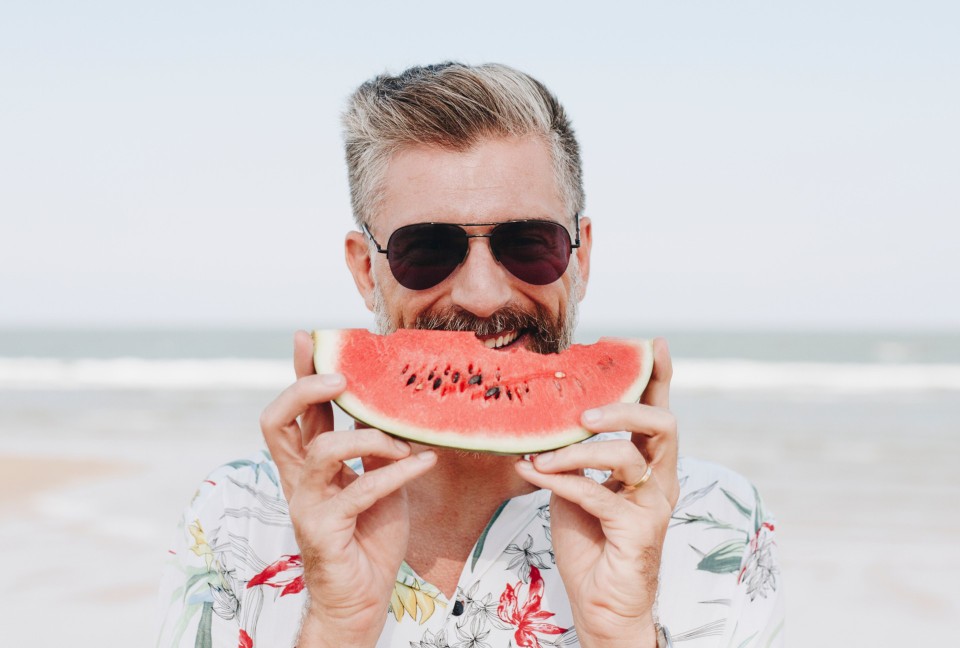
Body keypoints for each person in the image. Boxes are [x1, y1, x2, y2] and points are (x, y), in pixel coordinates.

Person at [158, 62, 784, 648]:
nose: (483, 296)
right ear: (364, 268)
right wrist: (337, 624)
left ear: (581, 256)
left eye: (528, 244)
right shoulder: (239, 515)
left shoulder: (714, 518)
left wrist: (619, 631)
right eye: (425, 249)